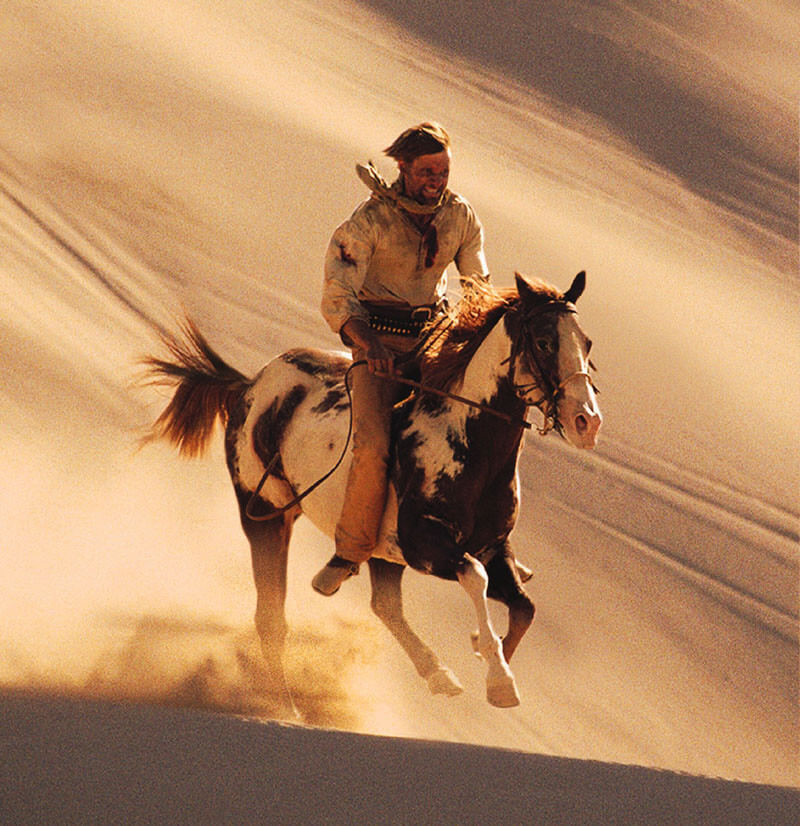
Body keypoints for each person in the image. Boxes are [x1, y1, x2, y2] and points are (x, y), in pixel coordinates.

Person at [312, 122, 491, 595]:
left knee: (476, 426)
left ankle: (490, 539)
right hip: (379, 348)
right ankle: (350, 550)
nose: (438, 178)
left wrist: (474, 332)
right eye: (428, 170)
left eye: (444, 169)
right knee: (373, 443)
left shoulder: (460, 217)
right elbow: (338, 294)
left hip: (435, 341)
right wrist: (367, 344)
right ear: (405, 169)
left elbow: (476, 285)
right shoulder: (369, 221)